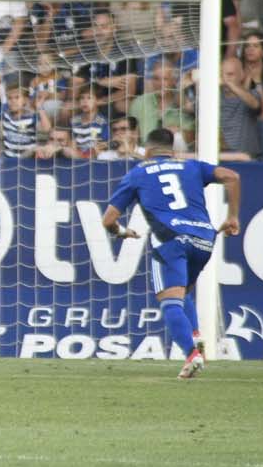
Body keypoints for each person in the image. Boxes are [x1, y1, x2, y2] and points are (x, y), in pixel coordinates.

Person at [102, 129, 241, 378]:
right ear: (173, 150)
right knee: (183, 289)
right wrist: (232, 217)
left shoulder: (138, 173)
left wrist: (121, 232)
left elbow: (108, 219)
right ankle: (196, 336)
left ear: (147, 149)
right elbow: (232, 176)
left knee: (170, 300)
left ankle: (191, 354)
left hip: (171, 240)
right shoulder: (192, 166)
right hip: (204, 239)